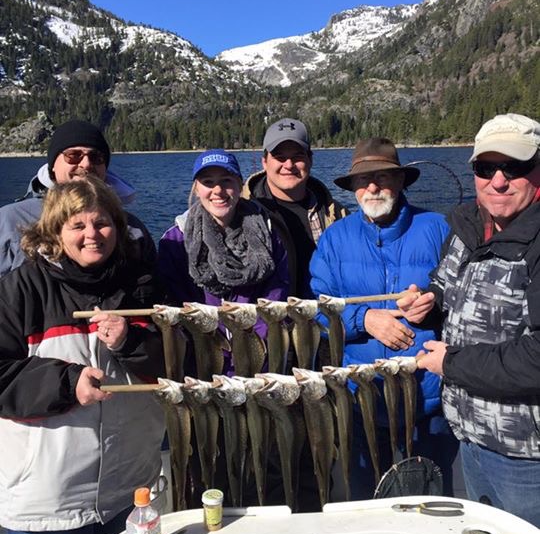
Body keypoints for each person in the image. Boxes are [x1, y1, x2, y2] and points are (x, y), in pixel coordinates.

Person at [0, 177, 165, 534]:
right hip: (46, 502)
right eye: (78, 225)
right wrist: (66, 383)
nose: (93, 234)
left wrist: (131, 342)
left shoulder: (141, 283)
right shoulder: (20, 289)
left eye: (103, 223)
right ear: (55, 232)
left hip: (130, 493)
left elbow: (175, 364)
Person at [400, 113, 540, 528]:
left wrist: (452, 364)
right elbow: (445, 284)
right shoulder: (465, 226)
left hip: (526, 458)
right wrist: (428, 300)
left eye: (514, 167)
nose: (498, 181)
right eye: (485, 168)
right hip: (470, 439)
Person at [310, 137, 458, 497]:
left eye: (383, 177)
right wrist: (364, 320)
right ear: (354, 188)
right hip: (361, 402)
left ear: (402, 181)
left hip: (428, 402)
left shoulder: (439, 228)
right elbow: (318, 310)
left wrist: (435, 303)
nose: (373, 187)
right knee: (364, 501)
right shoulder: (334, 239)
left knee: (432, 502)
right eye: (363, 180)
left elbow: (467, 296)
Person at [157, 148, 289, 375]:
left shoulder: (268, 233)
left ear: (239, 185)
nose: (218, 190)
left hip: (257, 357)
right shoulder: (175, 240)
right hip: (203, 359)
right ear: (197, 189)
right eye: (208, 182)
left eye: (226, 181)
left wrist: (250, 346)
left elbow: (276, 294)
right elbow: (176, 305)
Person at [0, 119, 156, 276]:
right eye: (74, 155)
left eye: (96, 157)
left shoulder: (133, 229)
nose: (86, 164)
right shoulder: (8, 220)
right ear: (53, 164)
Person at [243, 118, 347, 296]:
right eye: (280, 157)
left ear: (310, 160)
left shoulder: (336, 214)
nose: (289, 165)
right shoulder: (240, 211)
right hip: (267, 319)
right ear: (265, 162)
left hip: (321, 317)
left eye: (297, 156)